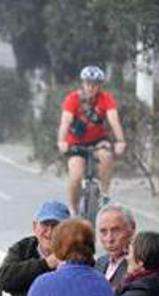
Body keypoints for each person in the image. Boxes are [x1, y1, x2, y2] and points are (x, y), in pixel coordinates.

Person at [56, 65, 127, 216]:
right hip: (76, 142)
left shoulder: (106, 99)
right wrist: (62, 141)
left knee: (106, 156)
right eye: (88, 83)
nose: (91, 87)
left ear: (99, 86)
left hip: (98, 140)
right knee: (76, 175)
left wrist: (120, 141)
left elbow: (114, 120)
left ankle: (104, 195)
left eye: (95, 84)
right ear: (83, 83)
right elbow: (65, 122)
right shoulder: (72, 99)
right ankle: (73, 208)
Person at [94, 204, 136, 290]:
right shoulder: (100, 262)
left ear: (132, 229)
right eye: (103, 232)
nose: (109, 239)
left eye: (116, 231)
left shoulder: (138, 267)